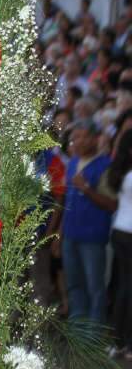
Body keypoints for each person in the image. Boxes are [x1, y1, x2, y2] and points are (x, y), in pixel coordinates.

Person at [61, 119, 117, 324]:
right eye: (75, 138)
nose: (77, 142)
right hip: (70, 234)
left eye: (83, 137)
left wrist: (86, 189)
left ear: (95, 138)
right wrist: (60, 233)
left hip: (93, 236)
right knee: (74, 284)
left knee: (94, 286)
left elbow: (112, 204)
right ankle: (79, 331)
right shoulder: (73, 162)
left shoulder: (106, 166)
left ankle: (94, 333)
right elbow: (67, 200)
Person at [107, 129, 132, 359]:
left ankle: (118, 342)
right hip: (129, 234)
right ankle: (125, 343)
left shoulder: (123, 173)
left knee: (124, 289)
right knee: (127, 290)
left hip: (120, 232)